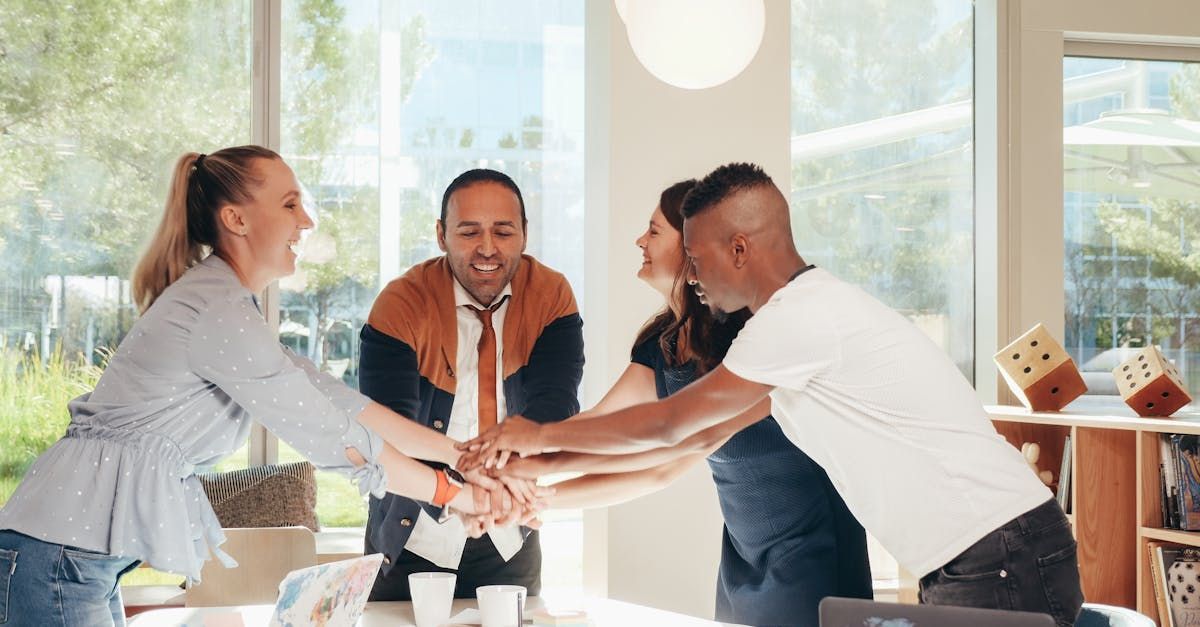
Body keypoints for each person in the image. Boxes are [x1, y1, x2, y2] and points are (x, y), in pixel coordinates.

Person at [463, 163, 1085, 627]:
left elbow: (671, 427)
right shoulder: (788, 325)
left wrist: (537, 436)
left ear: (740, 249)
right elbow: (696, 438)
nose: (694, 275)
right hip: (975, 554)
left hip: (997, 550)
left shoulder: (799, 319)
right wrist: (538, 482)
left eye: (698, 257)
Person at [0, 146, 536, 627]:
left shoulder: (227, 305)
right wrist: (458, 495)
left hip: (72, 556)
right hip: (59, 557)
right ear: (236, 219)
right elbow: (334, 436)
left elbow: (341, 402)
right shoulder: (217, 310)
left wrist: (463, 459)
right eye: (289, 204)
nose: (306, 220)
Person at [493, 179, 872, 626]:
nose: (640, 241)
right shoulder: (664, 342)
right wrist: (533, 490)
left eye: (654, 231)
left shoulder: (751, 338)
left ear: (694, 245)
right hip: (743, 554)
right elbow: (605, 426)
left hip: (810, 548)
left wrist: (534, 467)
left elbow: (669, 455)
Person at [358, 168, 584, 601]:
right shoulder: (400, 303)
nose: (487, 248)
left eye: (503, 231)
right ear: (441, 235)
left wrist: (503, 484)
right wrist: (466, 492)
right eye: (469, 232)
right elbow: (389, 427)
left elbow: (554, 406)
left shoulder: (551, 295)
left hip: (508, 531)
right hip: (412, 532)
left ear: (524, 234)